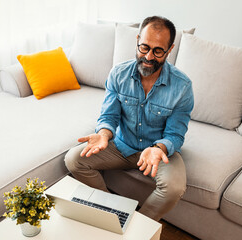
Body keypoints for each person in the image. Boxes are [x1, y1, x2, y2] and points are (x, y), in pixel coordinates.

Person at [64, 16, 194, 221]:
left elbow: (175, 134)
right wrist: (104, 134)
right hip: (121, 145)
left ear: (170, 50)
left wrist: (158, 149)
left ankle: (136, 227)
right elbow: (109, 115)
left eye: (158, 51)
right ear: (137, 40)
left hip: (156, 151)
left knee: (174, 187)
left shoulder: (182, 86)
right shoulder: (118, 74)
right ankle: (113, 214)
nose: (149, 56)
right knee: (73, 159)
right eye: (144, 47)